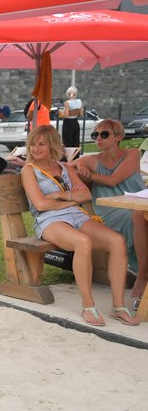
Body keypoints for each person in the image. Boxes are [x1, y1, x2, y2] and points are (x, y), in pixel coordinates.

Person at [20, 125, 138, 327]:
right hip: (49, 220)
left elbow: (85, 195)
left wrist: (60, 195)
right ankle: (88, 306)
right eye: (32, 144)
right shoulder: (29, 170)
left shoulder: (64, 167)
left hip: (75, 215)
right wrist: (71, 199)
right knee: (82, 242)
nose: (35, 148)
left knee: (117, 241)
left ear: (52, 145)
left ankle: (118, 307)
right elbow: (40, 205)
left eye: (41, 144)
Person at [72, 118, 148, 305]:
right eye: (95, 134)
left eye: (104, 134)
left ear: (118, 137)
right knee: (136, 217)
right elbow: (65, 166)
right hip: (110, 209)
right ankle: (141, 275)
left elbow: (114, 180)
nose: (98, 137)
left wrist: (90, 174)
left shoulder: (132, 154)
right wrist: (79, 165)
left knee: (140, 215)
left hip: (137, 201)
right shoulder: (91, 159)